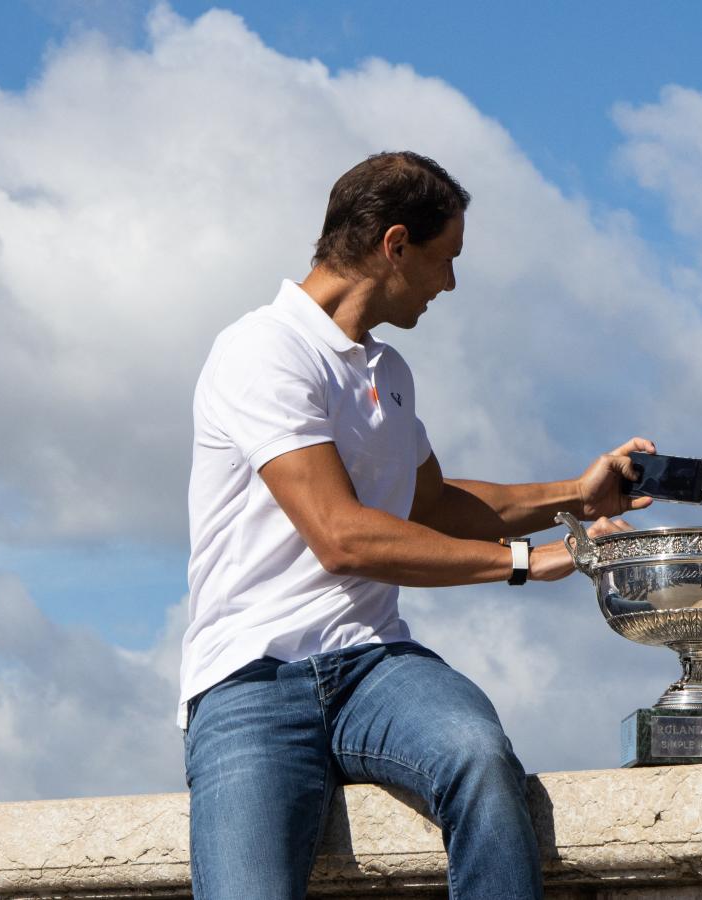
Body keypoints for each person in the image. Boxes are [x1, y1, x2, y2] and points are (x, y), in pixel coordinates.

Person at [179, 150, 652, 900]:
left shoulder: (388, 371)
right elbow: (343, 537)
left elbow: (429, 504)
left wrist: (579, 496)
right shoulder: (262, 351)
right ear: (394, 244)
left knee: (480, 759)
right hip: (250, 680)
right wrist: (530, 560)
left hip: (376, 666)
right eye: (445, 258)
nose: (450, 283)